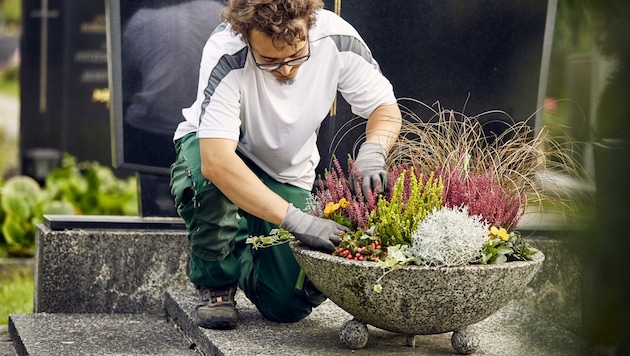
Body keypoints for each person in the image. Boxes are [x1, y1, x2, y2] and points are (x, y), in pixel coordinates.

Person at [169, 0, 401, 330]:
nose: (286, 70)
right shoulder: (226, 51)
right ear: (246, 38)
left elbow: (385, 108)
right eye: (270, 61)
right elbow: (217, 162)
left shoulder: (336, 38)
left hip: (285, 168)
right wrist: (295, 219)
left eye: (296, 56)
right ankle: (217, 281)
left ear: (309, 27)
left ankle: (239, 240)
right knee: (205, 186)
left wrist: (374, 151)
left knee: (288, 302)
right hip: (222, 149)